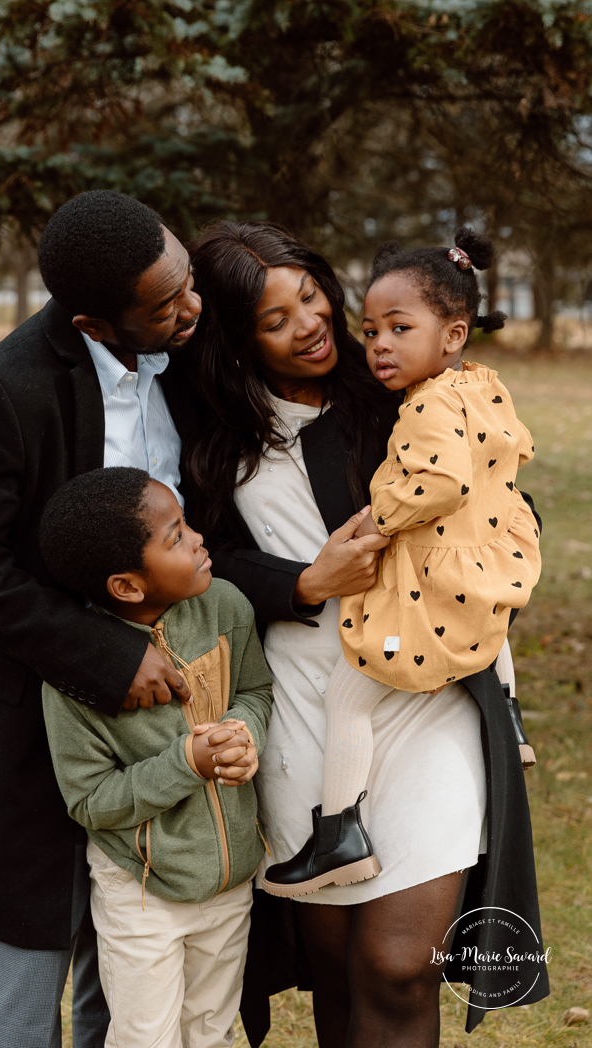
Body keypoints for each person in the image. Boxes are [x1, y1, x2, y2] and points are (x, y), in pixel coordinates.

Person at [183, 220, 548, 1047]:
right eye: (275, 320)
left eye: (310, 298)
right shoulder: (217, 436)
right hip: (309, 704)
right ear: (235, 339)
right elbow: (202, 562)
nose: (309, 324)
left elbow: (502, 502)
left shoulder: (399, 390)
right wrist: (304, 581)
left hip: (426, 692)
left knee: (397, 962)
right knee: (337, 961)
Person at [0, 191, 207, 1048]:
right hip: (40, 706)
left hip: (171, 709)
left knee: (132, 959)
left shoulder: (188, 355)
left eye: (185, 279)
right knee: (35, 952)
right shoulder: (6, 391)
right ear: (93, 320)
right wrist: (102, 655)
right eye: (164, 305)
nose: (190, 308)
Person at [263, 228, 541, 898]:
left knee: (345, 694)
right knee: (486, 614)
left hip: (432, 569)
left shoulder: (424, 404)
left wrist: (377, 516)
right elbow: (513, 448)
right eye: (369, 330)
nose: (378, 345)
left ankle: (338, 835)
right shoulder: (480, 385)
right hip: (487, 552)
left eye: (397, 328)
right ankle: (507, 717)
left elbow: (437, 481)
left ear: (450, 335)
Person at [39, 466, 273, 1048]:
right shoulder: (76, 676)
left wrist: (245, 734)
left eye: (187, 524)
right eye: (175, 537)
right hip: (142, 892)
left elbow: (255, 690)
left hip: (229, 879)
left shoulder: (223, 606)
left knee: (212, 1033)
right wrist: (186, 764)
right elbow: (90, 801)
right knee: (146, 1039)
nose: (197, 538)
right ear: (126, 586)